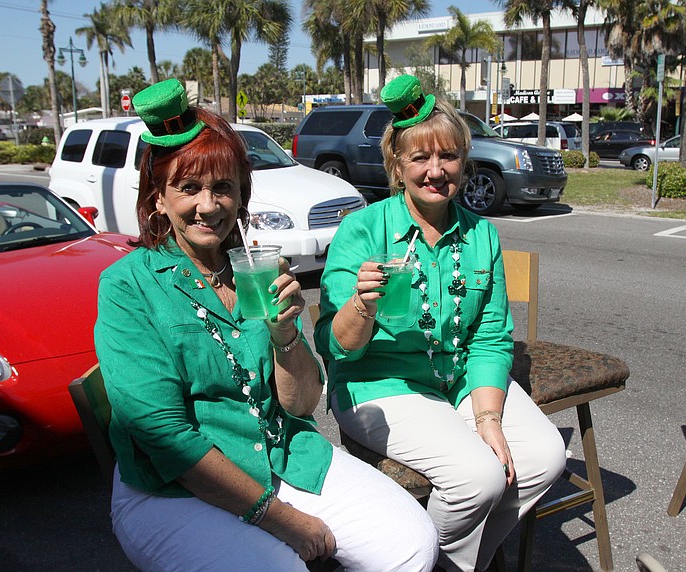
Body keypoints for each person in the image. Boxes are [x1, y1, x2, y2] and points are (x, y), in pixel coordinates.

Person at [94, 78, 438, 572]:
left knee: (411, 544)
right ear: (158, 199)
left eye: (223, 187)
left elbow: (300, 405)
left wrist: (285, 337)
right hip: (173, 490)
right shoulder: (129, 286)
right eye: (188, 188)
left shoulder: (255, 270)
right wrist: (278, 517)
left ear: (241, 196)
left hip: (281, 453)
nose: (208, 206)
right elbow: (163, 434)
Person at [314, 75, 567, 572]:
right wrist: (362, 306)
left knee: (544, 458)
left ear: (464, 162)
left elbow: (492, 335)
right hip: (379, 385)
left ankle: (449, 561)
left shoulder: (482, 235)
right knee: (479, 477)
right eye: (420, 158)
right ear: (397, 164)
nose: (436, 171)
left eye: (448, 156)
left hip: (457, 380)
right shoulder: (363, 230)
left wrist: (487, 419)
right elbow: (335, 348)